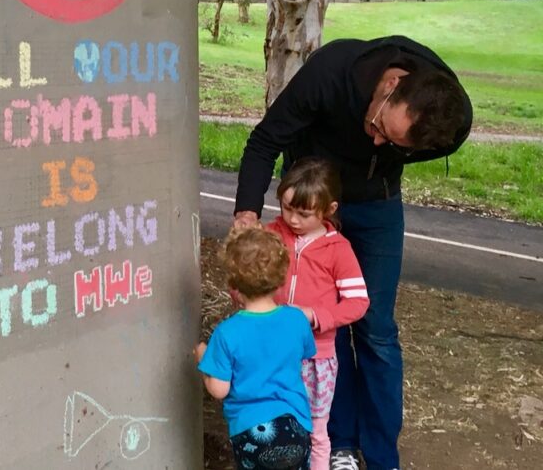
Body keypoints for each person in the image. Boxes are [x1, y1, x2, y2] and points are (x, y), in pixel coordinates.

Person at [233, 36, 473, 470]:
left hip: (377, 204)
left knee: (376, 329)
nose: (379, 142)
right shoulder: (331, 72)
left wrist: (387, 159)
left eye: (396, 143)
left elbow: (414, 145)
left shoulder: (452, 119)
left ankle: (382, 455)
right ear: (389, 85)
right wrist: (247, 215)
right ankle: (338, 441)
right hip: (313, 203)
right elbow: (264, 141)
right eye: (381, 127)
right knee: (325, 326)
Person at [267, 158, 370, 470]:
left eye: (304, 213)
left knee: (315, 428)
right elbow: (246, 276)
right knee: (272, 424)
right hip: (271, 351)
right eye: (287, 209)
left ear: (329, 209)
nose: (293, 219)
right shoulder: (271, 235)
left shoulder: (338, 250)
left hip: (316, 356)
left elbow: (357, 302)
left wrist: (316, 316)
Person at [196, 226, 316, 470]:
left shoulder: (227, 333)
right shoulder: (297, 319)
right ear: (281, 278)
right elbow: (302, 355)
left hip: (251, 431)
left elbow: (219, 390)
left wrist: (203, 360)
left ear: (234, 285)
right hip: (297, 424)